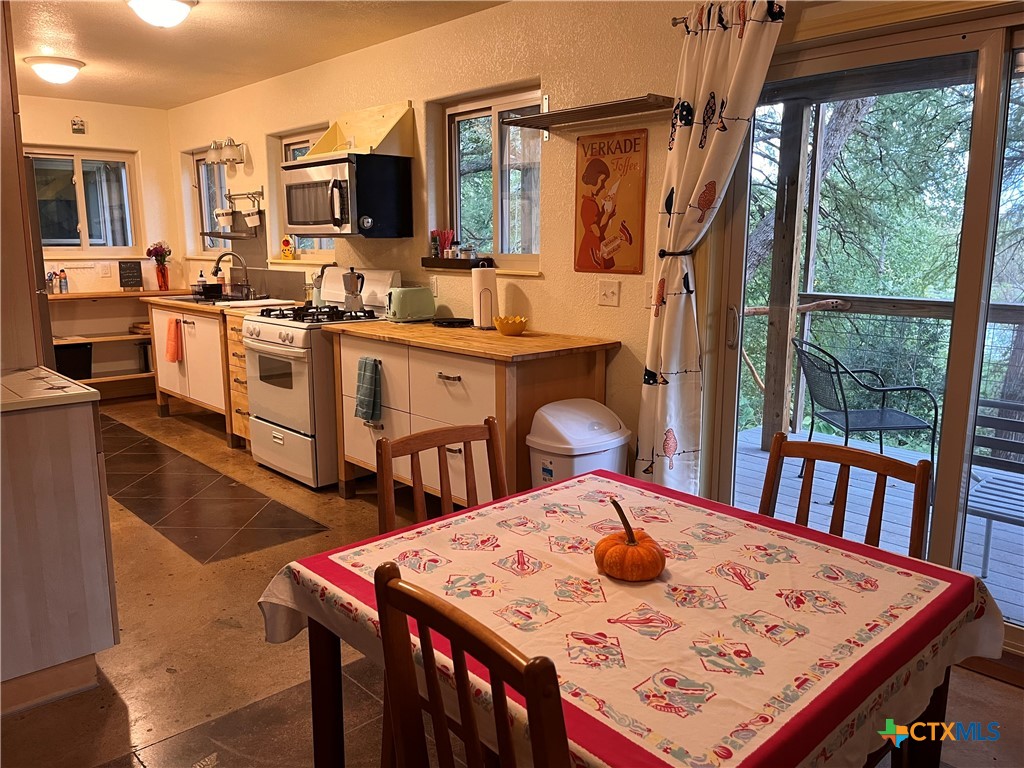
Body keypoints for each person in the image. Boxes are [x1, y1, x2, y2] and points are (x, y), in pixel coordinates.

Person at [577, 158, 617, 270]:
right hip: (592, 247)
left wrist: (607, 215)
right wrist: (606, 215)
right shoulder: (589, 204)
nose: (603, 186)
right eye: (602, 181)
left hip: (594, 243)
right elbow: (598, 232)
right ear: (594, 178)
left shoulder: (591, 202)